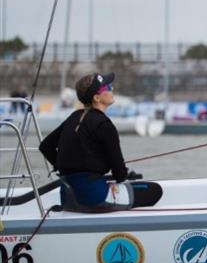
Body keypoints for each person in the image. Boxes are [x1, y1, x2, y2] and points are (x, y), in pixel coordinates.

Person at [39, 72, 161, 209]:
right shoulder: (105, 125)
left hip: (68, 199)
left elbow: (45, 146)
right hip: (94, 199)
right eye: (107, 87)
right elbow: (120, 176)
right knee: (155, 190)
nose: (112, 89)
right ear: (97, 98)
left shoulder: (73, 117)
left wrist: (64, 168)